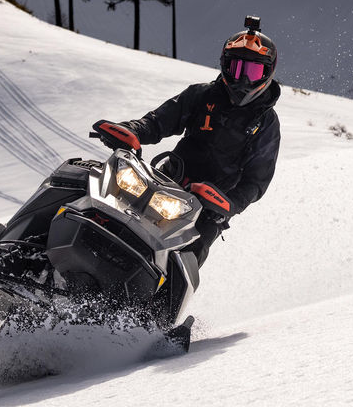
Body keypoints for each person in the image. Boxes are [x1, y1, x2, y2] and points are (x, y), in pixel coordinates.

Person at [99, 16, 281, 267]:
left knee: (188, 256)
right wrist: (131, 130)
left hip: (208, 208)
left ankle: (160, 307)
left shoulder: (267, 124)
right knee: (110, 206)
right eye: (236, 69)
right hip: (166, 182)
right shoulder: (201, 95)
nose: (243, 80)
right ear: (224, 66)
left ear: (267, 73)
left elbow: (256, 181)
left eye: (252, 71)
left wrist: (229, 204)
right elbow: (158, 122)